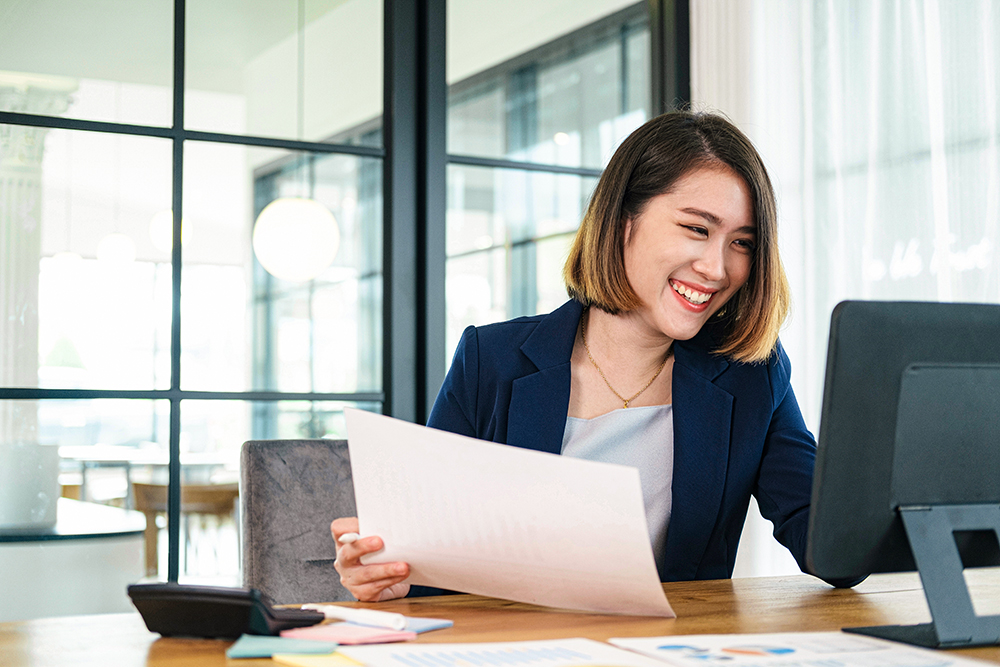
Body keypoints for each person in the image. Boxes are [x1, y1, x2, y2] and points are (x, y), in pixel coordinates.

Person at [332, 110, 843, 602]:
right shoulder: (490, 361)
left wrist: (898, 472)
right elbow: (430, 561)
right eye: (696, 229)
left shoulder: (751, 374)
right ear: (624, 221)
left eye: (743, 243)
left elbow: (830, 545)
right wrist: (390, 576)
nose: (716, 267)